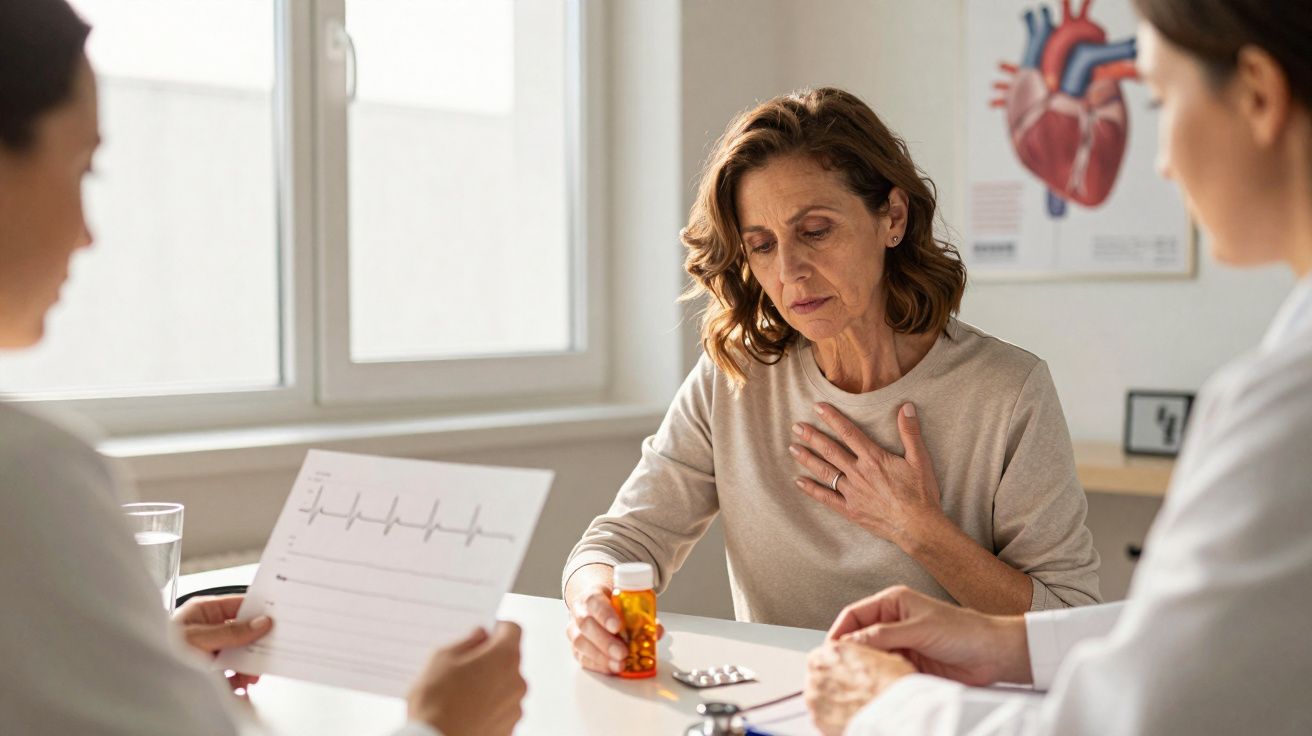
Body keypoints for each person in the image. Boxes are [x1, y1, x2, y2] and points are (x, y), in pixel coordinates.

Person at [0, 2, 525, 734]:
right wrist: (440, 725)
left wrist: (146, 663)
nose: (88, 235)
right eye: (81, 167)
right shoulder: (28, 476)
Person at [803, 1, 1312, 733]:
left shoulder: (1285, 406)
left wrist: (885, 707)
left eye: (1162, 102)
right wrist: (1008, 644)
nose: (1163, 161)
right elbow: (1210, 633)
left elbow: (1134, 718)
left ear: (1259, 95)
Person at [563, 87, 1102, 675]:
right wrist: (594, 597)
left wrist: (918, 530)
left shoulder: (1008, 391)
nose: (789, 271)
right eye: (762, 245)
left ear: (892, 218)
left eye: (815, 230)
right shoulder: (735, 378)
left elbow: (1069, 627)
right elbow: (619, 543)